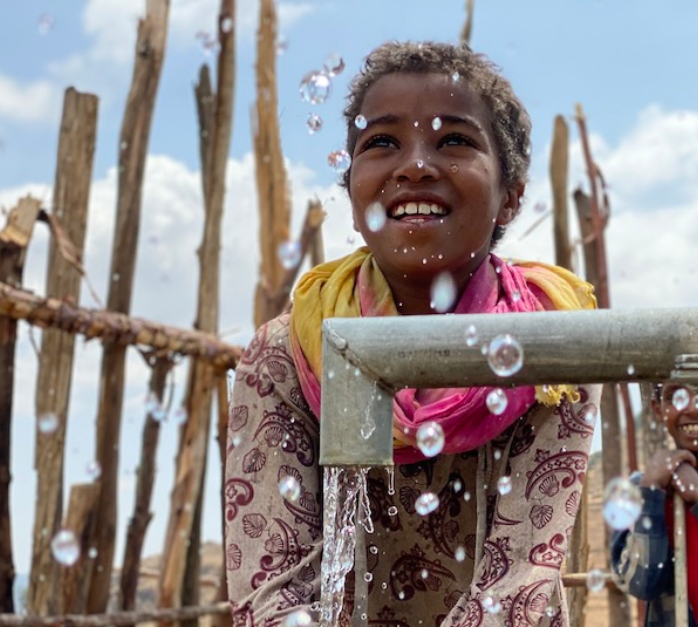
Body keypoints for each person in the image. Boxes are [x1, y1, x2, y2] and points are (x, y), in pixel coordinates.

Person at [224, 41, 600, 627]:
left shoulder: (550, 346)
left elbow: (516, 585)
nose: (415, 165)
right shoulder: (289, 352)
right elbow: (271, 589)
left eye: (454, 140)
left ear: (511, 197)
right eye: (382, 142)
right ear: (353, 197)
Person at [610, 382, 698, 627]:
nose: (693, 408)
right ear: (658, 409)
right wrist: (650, 492)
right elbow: (639, 582)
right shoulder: (641, 491)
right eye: (676, 396)